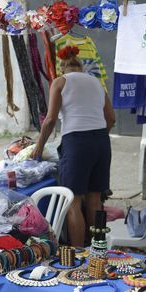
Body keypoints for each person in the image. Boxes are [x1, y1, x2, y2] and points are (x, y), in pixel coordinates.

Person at [32, 45, 116, 247]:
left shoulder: (60, 82)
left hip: (77, 143)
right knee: (95, 201)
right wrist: (96, 138)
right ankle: (97, 251)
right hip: (101, 143)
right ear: (80, 66)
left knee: (72, 202)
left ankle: (78, 255)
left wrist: (38, 147)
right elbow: (111, 119)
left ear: (61, 68)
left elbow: (50, 119)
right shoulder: (96, 83)